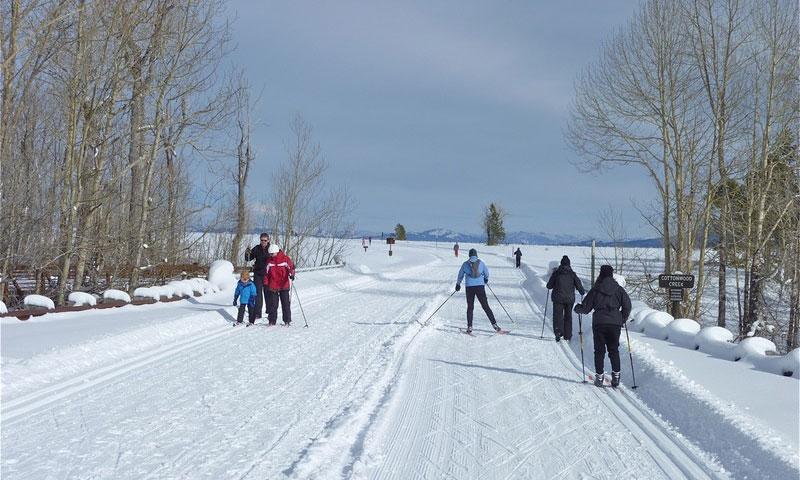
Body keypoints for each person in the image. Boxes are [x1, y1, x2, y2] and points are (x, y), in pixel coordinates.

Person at [574, 265, 631, 388]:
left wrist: (578, 308)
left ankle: (599, 377)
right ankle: (616, 376)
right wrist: (622, 318)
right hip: (615, 323)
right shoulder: (619, 289)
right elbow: (627, 305)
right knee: (613, 350)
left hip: (599, 323)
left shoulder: (596, 289)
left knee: (599, 351)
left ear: (600, 274)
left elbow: (586, 308)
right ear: (611, 274)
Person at [455, 248, 502, 334]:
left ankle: (469, 326)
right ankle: (494, 325)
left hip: (469, 287)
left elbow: (460, 275)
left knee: (470, 307)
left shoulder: (465, 264)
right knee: (485, 306)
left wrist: (458, 284)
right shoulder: (481, 263)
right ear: (476, 255)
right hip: (480, 286)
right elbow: (487, 273)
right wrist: (485, 279)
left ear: (469, 255)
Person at [546, 255, 586, 342]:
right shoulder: (572, 274)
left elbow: (549, 286)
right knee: (568, 317)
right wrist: (582, 292)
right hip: (569, 299)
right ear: (569, 264)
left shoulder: (556, 273)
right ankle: (568, 335)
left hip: (557, 299)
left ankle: (558, 332)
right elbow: (579, 285)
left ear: (561, 264)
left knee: (558, 316)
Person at [264, 244, 296, 326]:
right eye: (270, 254)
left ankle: (287, 320)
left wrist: (292, 274)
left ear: (276, 252)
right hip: (273, 285)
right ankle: (272, 321)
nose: (271, 255)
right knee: (273, 304)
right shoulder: (269, 261)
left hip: (284, 284)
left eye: (272, 254)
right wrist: (266, 283)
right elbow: (266, 274)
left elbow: (291, 268)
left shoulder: (285, 259)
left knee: (285, 303)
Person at [245, 233, 271, 319]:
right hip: (258, 274)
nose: (263, 242)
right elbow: (248, 258)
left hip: (268, 274)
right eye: (262, 240)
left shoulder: (271, 248)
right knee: (258, 294)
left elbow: (279, 256)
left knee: (268, 293)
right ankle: (257, 313)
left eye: (265, 240)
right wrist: (247, 252)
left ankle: (270, 312)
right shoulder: (256, 248)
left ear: (268, 240)